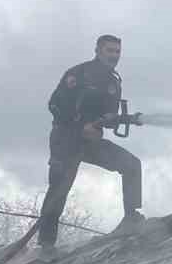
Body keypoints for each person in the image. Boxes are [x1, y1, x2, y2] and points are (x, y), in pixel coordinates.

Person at [34, 34, 143, 250]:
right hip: (65, 140)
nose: (114, 55)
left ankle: (131, 218)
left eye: (117, 52)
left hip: (90, 143)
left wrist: (114, 120)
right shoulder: (78, 74)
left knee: (131, 164)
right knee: (59, 189)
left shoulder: (114, 82)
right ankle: (45, 245)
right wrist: (79, 125)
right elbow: (55, 105)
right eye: (109, 51)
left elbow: (107, 117)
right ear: (98, 50)